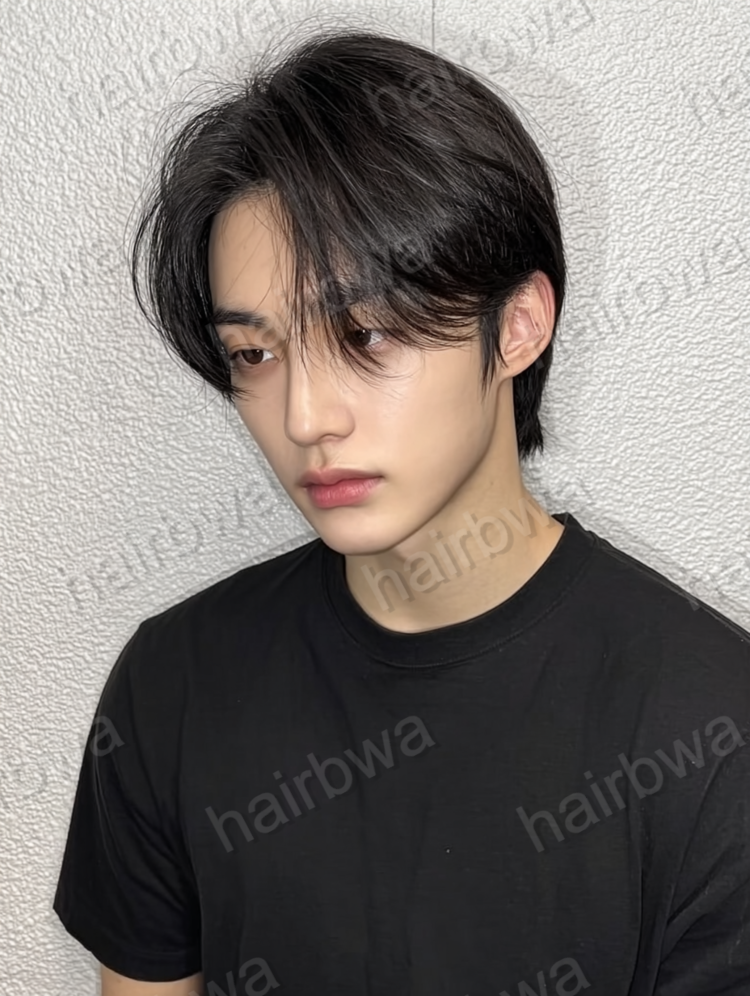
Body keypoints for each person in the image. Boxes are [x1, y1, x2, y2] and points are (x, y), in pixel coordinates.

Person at [52, 26, 750, 996]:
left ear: (518, 326)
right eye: (255, 353)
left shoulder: (711, 729)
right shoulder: (174, 684)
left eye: (366, 334)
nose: (304, 417)